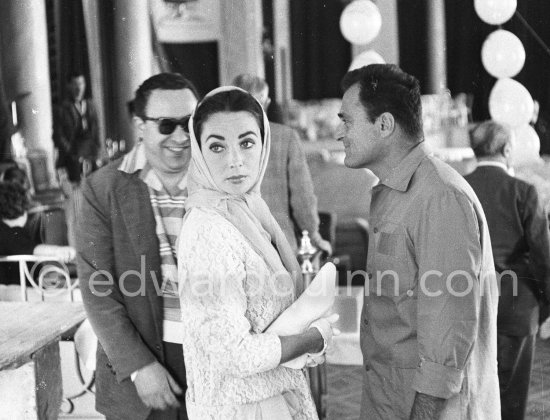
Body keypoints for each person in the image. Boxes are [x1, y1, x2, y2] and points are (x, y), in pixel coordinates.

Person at [336, 64, 500, 419]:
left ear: (384, 125)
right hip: (391, 400)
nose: (340, 133)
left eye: (347, 121)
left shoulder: (440, 197)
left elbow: (446, 343)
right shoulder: (395, 192)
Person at [177, 86, 339, 419]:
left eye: (247, 143)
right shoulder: (209, 228)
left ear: (264, 145)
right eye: (217, 147)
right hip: (243, 408)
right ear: (199, 153)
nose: (235, 160)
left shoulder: (249, 210)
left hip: (269, 399)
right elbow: (233, 353)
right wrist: (311, 339)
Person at [76, 73, 199, 420]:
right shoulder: (102, 189)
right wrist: (139, 366)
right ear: (140, 126)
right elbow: (97, 289)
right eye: (167, 125)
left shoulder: (218, 182)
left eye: (190, 123)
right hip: (140, 373)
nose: (181, 136)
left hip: (214, 364)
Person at [464, 120, 550, 420]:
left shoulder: (459, 187)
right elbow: (543, 256)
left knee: (474, 396)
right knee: (512, 399)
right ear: (508, 149)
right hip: (518, 303)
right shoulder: (524, 191)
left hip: (467, 300)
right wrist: (544, 306)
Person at [232, 74, 331, 255]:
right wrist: (315, 235)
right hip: (279, 245)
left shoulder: (220, 142)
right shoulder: (285, 137)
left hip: (235, 244)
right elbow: (302, 197)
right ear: (266, 103)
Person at [0, 182, 75, 285]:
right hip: (19, 293)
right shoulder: (13, 233)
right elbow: (33, 249)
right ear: (24, 211)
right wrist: (59, 251)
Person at [53, 72, 100, 183]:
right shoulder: (62, 109)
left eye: (81, 83)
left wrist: (97, 150)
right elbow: (58, 136)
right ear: (69, 86)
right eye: (75, 84)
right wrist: (72, 153)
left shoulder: (91, 106)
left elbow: (96, 130)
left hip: (90, 153)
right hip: (71, 156)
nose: (78, 88)